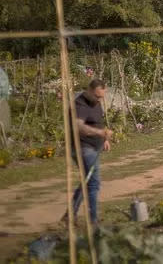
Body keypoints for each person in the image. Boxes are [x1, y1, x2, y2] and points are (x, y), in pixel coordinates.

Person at [68, 79, 113, 226]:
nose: (99, 99)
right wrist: (100, 133)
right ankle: (93, 220)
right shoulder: (80, 105)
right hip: (82, 147)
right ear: (89, 90)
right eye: (97, 96)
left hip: (93, 147)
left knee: (87, 182)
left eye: (102, 96)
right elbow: (78, 127)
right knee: (93, 184)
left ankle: (70, 215)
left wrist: (104, 139)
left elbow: (96, 122)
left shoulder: (95, 102)